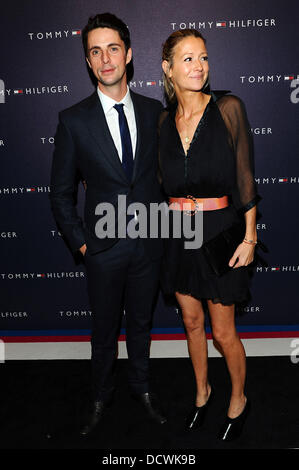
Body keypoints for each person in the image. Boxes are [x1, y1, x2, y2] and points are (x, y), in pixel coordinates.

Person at [50, 13, 166, 436]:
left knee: (141, 324)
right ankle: (100, 397)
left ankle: (142, 389)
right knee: (103, 330)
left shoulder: (156, 112)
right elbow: (60, 193)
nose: (105, 58)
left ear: (129, 54)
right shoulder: (73, 120)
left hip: (148, 245)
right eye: (95, 51)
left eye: (113, 48)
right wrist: (83, 245)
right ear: (88, 61)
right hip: (102, 249)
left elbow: (164, 179)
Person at [159, 29, 261, 441]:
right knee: (191, 321)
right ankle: (202, 393)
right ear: (167, 69)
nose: (198, 65)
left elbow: (245, 178)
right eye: (186, 59)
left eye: (202, 57)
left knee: (223, 332)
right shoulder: (163, 121)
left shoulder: (229, 108)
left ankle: (238, 398)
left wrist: (250, 238)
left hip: (221, 232)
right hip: (176, 233)